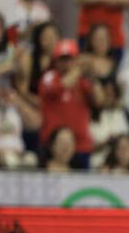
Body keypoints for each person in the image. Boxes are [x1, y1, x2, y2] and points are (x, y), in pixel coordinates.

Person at [38, 39, 104, 170]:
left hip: (81, 145)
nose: (66, 63)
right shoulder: (49, 77)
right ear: (55, 61)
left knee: (82, 188)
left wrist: (93, 77)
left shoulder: (83, 81)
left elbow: (99, 101)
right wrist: (78, 70)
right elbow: (61, 86)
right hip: (54, 147)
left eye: (70, 59)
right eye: (62, 59)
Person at [88, 80, 129, 168]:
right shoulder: (90, 116)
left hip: (118, 164)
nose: (109, 98)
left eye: (112, 95)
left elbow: (127, 138)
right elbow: (87, 146)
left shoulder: (119, 114)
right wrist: (104, 143)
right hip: (97, 162)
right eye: (106, 94)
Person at [0, 83, 24, 168]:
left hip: (17, 153)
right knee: (9, 159)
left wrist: (19, 103)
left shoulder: (16, 112)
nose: (6, 96)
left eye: (8, 93)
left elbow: (36, 123)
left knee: (31, 159)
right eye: (3, 93)